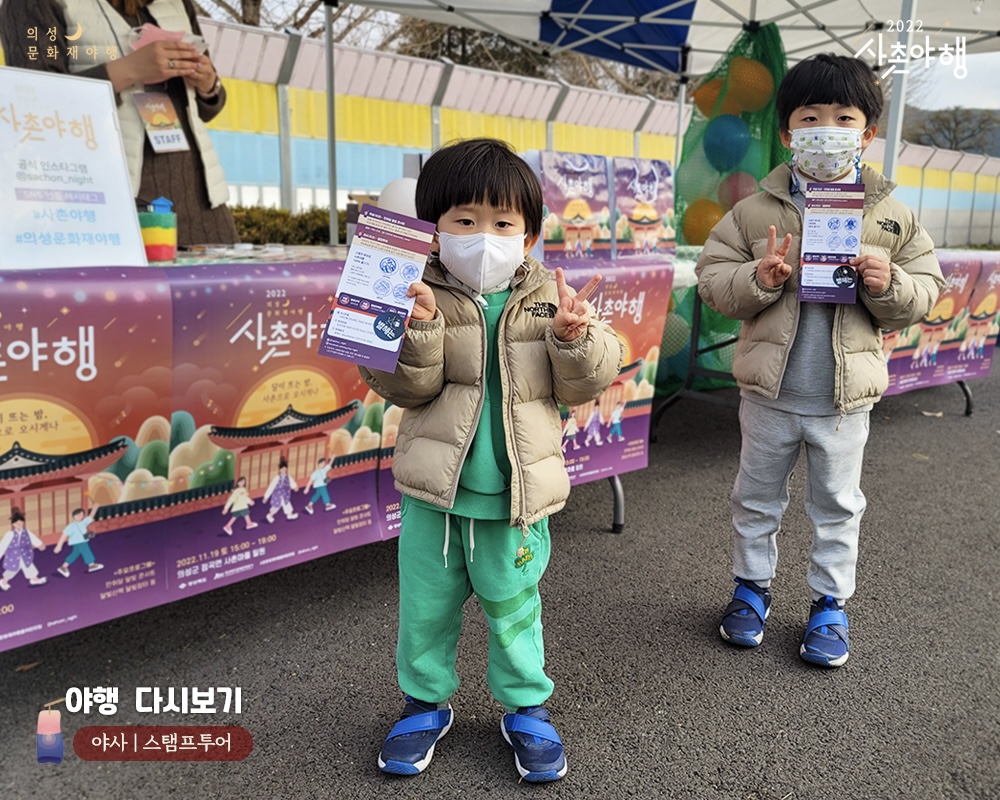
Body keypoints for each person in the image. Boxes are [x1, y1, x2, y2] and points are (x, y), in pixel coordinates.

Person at [359, 138, 623, 782]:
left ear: (529, 235)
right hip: (436, 498)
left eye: (503, 223)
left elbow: (588, 381)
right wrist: (417, 330)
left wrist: (575, 339)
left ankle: (526, 707)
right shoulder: (411, 291)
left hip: (515, 500)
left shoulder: (552, 297)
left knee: (514, 611)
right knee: (425, 609)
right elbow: (403, 387)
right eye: (465, 220)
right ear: (433, 229)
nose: (485, 237)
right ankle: (424, 703)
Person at [696, 54, 944, 668]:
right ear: (787, 132)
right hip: (769, 394)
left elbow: (927, 290)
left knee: (837, 506)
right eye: (810, 117)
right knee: (755, 498)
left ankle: (830, 604)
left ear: (867, 133)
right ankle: (750, 590)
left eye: (843, 118)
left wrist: (888, 284)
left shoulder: (891, 215)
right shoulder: (754, 210)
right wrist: (757, 279)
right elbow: (712, 279)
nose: (826, 129)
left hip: (842, 400)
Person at [0, 0, 238, 245]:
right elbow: (33, 103)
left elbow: (208, 107)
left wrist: (209, 84)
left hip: (204, 209)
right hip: (105, 211)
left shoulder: (177, 4)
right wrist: (129, 70)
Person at [0, 510, 47, 590]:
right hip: (14, 555)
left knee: (28, 564)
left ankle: (34, 579)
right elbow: (3, 545)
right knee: (13, 568)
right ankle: (4, 581)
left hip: (25, 553)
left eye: (21, 522)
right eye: (16, 523)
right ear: (13, 524)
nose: (19, 524)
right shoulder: (10, 534)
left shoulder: (26, 531)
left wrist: (39, 544)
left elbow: (33, 538)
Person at [54, 504, 104, 576]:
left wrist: (95, 508)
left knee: (75, 553)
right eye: (77, 515)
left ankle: (64, 567)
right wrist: (59, 546)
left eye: (81, 515)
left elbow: (90, 517)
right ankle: (91, 565)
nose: (79, 516)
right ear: (73, 516)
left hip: (81, 541)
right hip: (80, 542)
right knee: (86, 551)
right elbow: (63, 535)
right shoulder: (71, 526)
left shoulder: (83, 522)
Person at [262, 460, 298, 524]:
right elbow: (271, 487)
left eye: (285, 469)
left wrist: (295, 486)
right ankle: (270, 515)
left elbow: (291, 482)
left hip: (285, 494)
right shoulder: (277, 478)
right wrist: (266, 497)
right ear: (279, 470)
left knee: (287, 503)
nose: (284, 470)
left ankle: (290, 514)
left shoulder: (288, 476)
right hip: (278, 495)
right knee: (276, 506)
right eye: (282, 469)